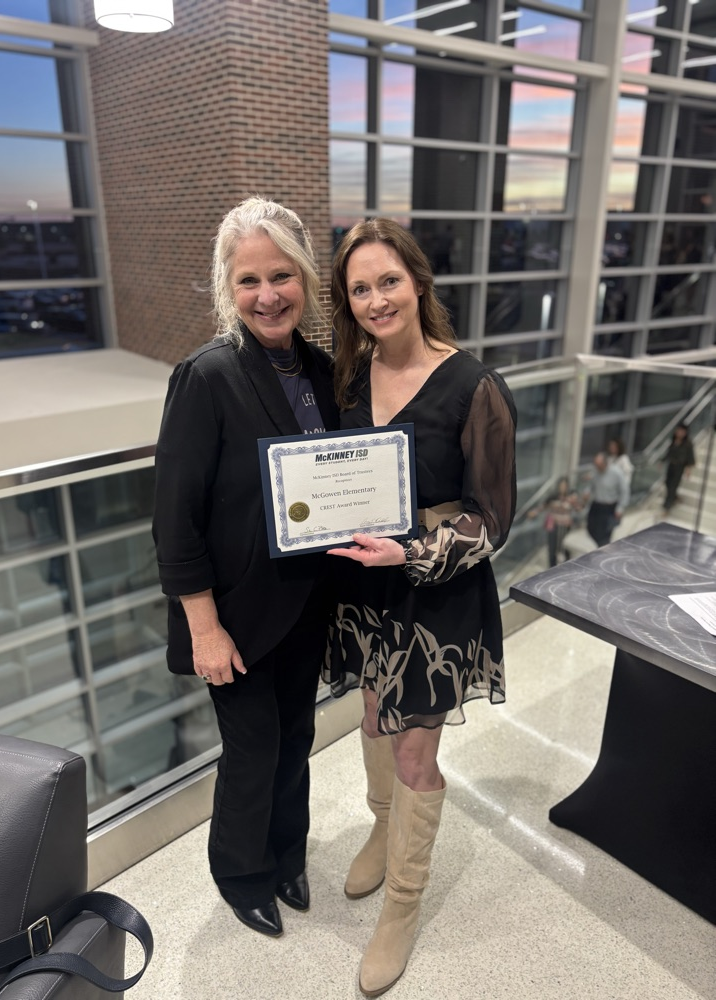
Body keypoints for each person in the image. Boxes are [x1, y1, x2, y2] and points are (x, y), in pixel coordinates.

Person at [323, 219, 517, 997]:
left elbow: (494, 518)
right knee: (372, 717)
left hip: (436, 594)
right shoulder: (348, 378)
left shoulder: (474, 386)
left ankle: (403, 902)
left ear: (419, 282)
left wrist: (417, 552)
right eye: (360, 288)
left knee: (415, 752)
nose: (376, 299)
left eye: (388, 281)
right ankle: (380, 823)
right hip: (368, 592)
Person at [152, 197, 338, 939]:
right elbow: (174, 518)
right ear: (229, 290)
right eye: (249, 280)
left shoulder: (323, 371)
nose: (268, 295)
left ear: (306, 278)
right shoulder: (207, 376)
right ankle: (241, 873)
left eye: (281, 275)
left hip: (306, 600)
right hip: (231, 615)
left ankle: (287, 855)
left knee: (297, 738)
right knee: (254, 748)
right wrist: (204, 628)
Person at [528, 476, 582, 567]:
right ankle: (551, 568)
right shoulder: (553, 497)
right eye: (561, 486)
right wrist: (534, 512)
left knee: (565, 547)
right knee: (552, 549)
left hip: (565, 527)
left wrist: (576, 502)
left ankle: (566, 566)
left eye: (565, 486)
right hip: (554, 526)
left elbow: (579, 509)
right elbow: (543, 506)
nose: (563, 488)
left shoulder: (571, 497)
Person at [585, 452, 629, 547]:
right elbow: (590, 485)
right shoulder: (595, 471)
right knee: (590, 527)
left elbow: (624, 491)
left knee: (604, 535)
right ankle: (601, 546)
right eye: (596, 465)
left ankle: (602, 550)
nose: (597, 468)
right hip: (596, 505)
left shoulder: (617, 473)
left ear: (605, 464)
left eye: (599, 465)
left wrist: (620, 508)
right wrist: (587, 492)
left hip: (609, 507)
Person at [663, 422, 695, 512]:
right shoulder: (674, 440)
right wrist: (663, 460)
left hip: (679, 466)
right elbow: (669, 452)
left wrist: (688, 469)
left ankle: (667, 506)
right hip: (671, 465)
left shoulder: (688, 444)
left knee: (673, 485)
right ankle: (674, 497)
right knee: (667, 482)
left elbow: (690, 457)